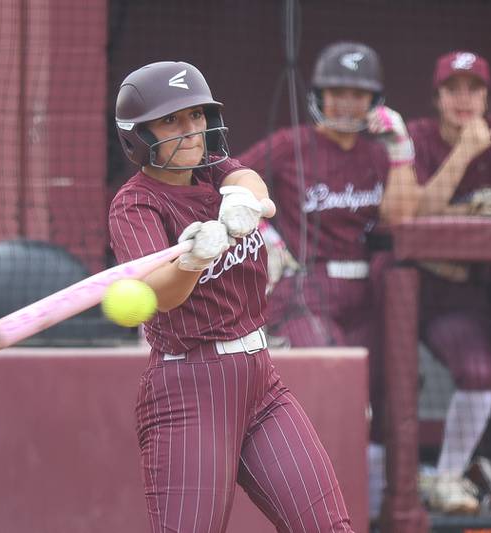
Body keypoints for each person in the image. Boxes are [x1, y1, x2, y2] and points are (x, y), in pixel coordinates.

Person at [108, 60, 354, 532]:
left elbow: (250, 182)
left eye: (196, 116)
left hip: (260, 381)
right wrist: (193, 260)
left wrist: (240, 202)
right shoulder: (136, 203)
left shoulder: (212, 170)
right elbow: (161, 296)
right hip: (190, 386)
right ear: (138, 136)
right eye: (172, 120)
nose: (191, 130)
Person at [237, 41, 417, 519]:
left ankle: (373, 514)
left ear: (374, 101)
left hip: (368, 290)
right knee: (340, 396)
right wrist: (264, 232)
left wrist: (400, 149)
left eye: (358, 94)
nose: (346, 103)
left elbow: (401, 217)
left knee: (384, 395)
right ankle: (332, 517)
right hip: (305, 287)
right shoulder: (291, 143)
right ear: (320, 93)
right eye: (337, 91)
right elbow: (228, 180)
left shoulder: (379, 155)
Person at [407, 50, 491, 513]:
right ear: (436, 97)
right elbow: (415, 211)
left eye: (473, 88)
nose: (463, 99)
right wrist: (464, 153)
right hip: (402, 286)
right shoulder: (415, 134)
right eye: (452, 89)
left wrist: (452, 216)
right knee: (378, 388)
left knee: (480, 374)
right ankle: (376, 495)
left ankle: (448, 476)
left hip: (464, 293)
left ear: (486, 95)